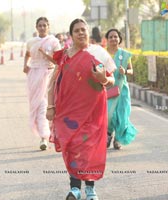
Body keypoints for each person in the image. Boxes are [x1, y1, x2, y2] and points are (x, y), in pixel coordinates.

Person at [46, 18, 116, 200]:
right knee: (72, 147)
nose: (81, 33)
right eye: (76, 30)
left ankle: (90, 189)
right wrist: (50, 106)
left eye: (83, 30)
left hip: (93, 112)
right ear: (71, 35)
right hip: (67, 112)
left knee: (89, 149)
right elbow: (54, 82)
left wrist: (103, 78)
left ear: (88, 32)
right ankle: (75, 188)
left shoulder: (98, 53)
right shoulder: (66, 55)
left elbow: (111, 80)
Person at [23, 17, 61, 151]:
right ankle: (43, 135)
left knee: (47, 105)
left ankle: (48, 135)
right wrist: (25, 66)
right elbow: (27, 54)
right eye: (40, 26)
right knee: (37, 105)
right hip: (34, 75)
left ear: (48, 27)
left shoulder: (54, 42)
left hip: (49, 75)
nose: (42, 28)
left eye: (45, 25)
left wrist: (45, 55)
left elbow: (59, 60)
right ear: (36, 27)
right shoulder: (31, 42)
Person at [105, 28, 138, 150]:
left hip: (122, 89)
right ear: (107, 40)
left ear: (119, 39)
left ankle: (118, 138)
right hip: (107, 88)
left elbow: (131, 70)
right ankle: (108, 134)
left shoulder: (124, 55)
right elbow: (97, 67)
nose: (113, 39)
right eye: (111, 37)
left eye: (115, 37)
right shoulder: (103, 54)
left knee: (122, 114)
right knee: (109, 114)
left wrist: (125, 71)